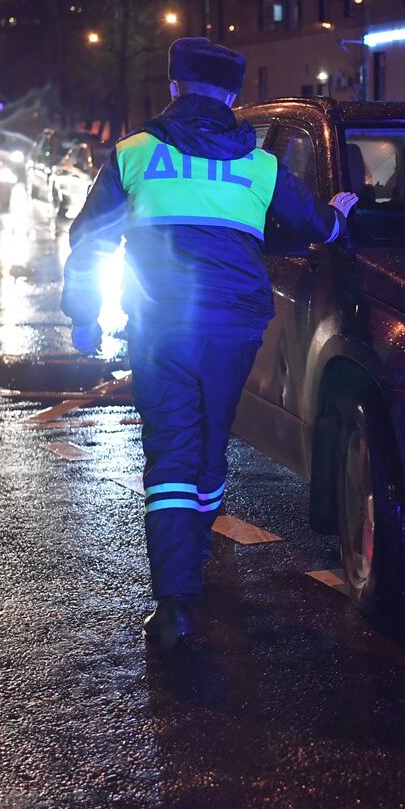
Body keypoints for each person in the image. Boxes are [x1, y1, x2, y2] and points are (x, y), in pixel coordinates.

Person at [61, 37, 359, 651]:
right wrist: (340, 211)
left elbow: (90, 242)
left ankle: (176, 602)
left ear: (174, 88)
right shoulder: (259, 164)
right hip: (233, 329)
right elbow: (318, 226)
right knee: (208, 446)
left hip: (160, 326)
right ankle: (194, 556)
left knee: (171, 452)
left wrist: (83, 317)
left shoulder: (134, 154)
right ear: (231, 95)